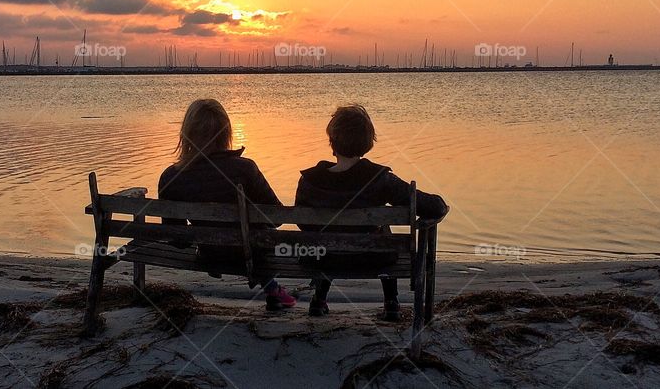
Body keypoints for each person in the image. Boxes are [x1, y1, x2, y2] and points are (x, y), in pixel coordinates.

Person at [295, 104, 449, 320]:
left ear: (332, 142)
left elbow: (304, 224)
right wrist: (441, 204)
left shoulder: (308, 180)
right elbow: (434, 206)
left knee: (328, 235)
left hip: (320, 258)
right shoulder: (379, 179)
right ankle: (391, 302)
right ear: (367, 143)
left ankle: (319, 300)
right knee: (382, 229)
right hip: (369, 257)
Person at [158, 98, 297, 310]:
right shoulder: (245, 169)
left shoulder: (170, 177)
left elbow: (177, 239)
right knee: (256, 235)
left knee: (246, 236)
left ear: (187, 134)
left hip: (209, 253)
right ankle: (272, 288)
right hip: (250, 253)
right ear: (226, 132)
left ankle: (272, 288)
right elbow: (276, 218)